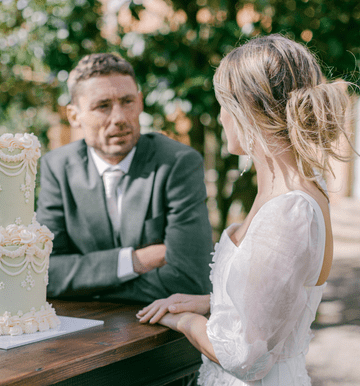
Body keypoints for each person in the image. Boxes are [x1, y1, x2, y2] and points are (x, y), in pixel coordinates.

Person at [137, 34, 355, 385]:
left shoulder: (289, 212)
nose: (220, 117)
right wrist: (209, 303)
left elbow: (245, 358)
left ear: (250, 110)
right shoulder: (288, 190)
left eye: (224, 103)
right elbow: (275, 301)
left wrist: (183, 322)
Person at [36, 53, 213, 303]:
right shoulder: (57, 167)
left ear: (140, 103)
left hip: (162, 333)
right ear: (74, 116)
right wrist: (134, 261)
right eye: (103, 106)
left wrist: (87, 287)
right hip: (85, 335)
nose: (119, 118)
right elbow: (43, 274)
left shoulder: (177, 163)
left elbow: (188, 280)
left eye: (127, 101)